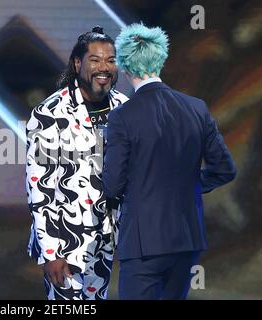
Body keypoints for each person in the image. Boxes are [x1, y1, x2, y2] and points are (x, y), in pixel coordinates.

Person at [102, 23, 236, 300]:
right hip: (186, 239)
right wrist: (190, 185)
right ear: (160, 60)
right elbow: (224, 169)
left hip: (143, 243)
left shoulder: (122, 117)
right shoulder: (196, 108)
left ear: (125, 67)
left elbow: (112, 185)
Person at [26, 26, 128, 300]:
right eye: (95, 60)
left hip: (106, 238)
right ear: (78, 62)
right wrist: (51, 252)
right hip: (64, 242)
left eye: (110, 60)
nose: (103, 67)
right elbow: (40, 188)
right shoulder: (49, 114)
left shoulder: (125, 108)